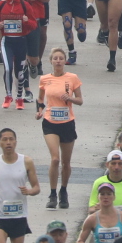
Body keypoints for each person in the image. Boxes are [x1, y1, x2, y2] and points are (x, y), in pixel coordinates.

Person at [36, 46, 84, 210]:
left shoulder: (72, 78)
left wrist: (70, 98)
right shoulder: (44, 79)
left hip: (67, 122)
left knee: (66, 162)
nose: (58, 61)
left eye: (61, 58)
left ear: (64, 61)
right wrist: (39, 111)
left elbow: (80, 100)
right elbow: (40, 99)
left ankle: (63, 191)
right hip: (50, 122)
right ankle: (52, 193)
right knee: (55, 159)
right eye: (55, 58)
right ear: (51, 61)